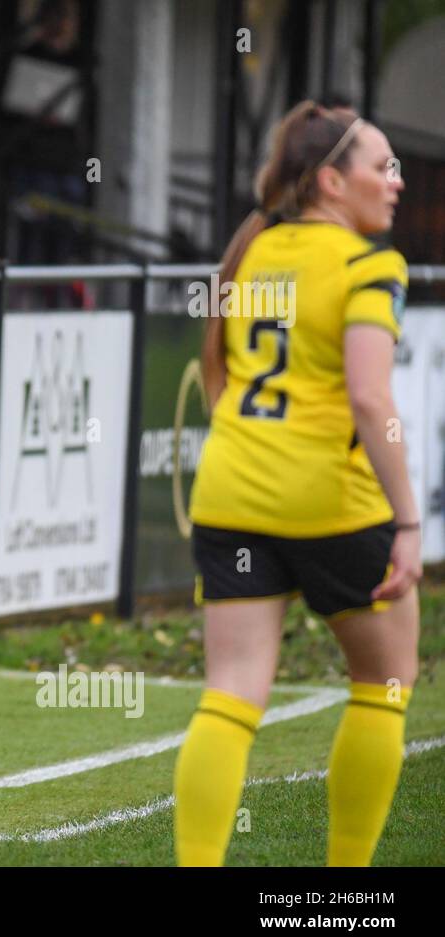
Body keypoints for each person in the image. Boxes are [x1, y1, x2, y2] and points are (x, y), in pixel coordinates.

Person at [178, 101, 417, 866]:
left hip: (230, 493)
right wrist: (408, 522)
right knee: (383, 685)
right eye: (382, 167)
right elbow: (372, 399)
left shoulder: (254, 248)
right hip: (329, 502)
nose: (397, 181)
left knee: (232, 694)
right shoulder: (368, 264)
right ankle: (344, 886)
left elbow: (221, 372)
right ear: (329, 181)